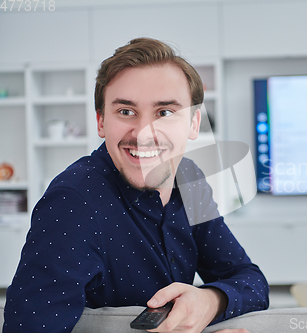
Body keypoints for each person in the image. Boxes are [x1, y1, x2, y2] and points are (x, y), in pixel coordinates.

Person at [2, 37, 269, 332]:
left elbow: (249, 279)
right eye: (126, 111)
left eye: (165, 112)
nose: (143, 134)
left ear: (194, 124)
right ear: (101, 121)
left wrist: (210, 300)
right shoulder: (73, 202)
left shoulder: (189, 177)